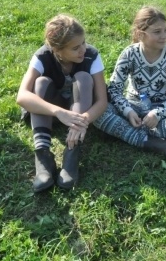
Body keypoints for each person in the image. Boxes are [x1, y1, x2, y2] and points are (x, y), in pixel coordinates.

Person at [16, 14, 108, 192]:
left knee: (84, 78)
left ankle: (72, 152)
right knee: (40, 83)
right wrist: (58, 112)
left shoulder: (91, 55)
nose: (83, 50)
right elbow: (22, 96)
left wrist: (82, 120)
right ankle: (43, 157)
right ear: (57, 50)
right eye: (75, 48)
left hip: (80, 110)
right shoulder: (42, 56)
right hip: (50, 114)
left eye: (83, 43)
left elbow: (102, 101)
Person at [94, 6, 166, 157]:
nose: (164, 36)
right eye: (157, 32)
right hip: (133, 106)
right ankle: (147, 141)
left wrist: (158, 113)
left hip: (164, 110)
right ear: (140, 34)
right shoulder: (129, 53)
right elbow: (114, 89)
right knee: (98, 113)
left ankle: (127, 132)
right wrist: (128, 111)